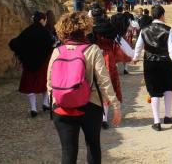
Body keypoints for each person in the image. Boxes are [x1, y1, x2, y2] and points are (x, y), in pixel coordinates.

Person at [47, 12, 121, 164]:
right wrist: (115, 106)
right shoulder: (92, 50)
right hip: (90, 105)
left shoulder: (57, 51)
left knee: (68, 150)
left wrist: (56, 101)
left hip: (62, 107)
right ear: (85, 28)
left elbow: (49, 82)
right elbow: (104, 81)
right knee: (93, 146)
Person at [133, 5, 172, 131]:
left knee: (153, 91)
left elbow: (138, 46)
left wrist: (135, 57)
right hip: (166, 62)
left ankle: (156, 121)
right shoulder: (168, 30)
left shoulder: (144, 30)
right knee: (168, 87)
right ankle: (167, 116)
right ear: (162, 15)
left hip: (150, 62)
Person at [88, 5, 134, 130]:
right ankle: (104, 118)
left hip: (92, 57)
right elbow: (121, 42)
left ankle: (95, 115)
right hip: (108, 57)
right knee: (108, 85)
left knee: (93, 85)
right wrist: (133, 55)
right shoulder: (109, 28)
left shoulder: (89, 29)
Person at [9, 11, 54, 117]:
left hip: (28, 64)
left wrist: (23, 55)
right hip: (43, 63)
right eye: (45, 20)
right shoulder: (45, 32)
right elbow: (51, 46)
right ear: (42, 20)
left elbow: (15, 43)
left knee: (30, 85)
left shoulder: (27, 31)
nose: (45, 21)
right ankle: (45, 103)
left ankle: (33, 109)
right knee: (44, 83)